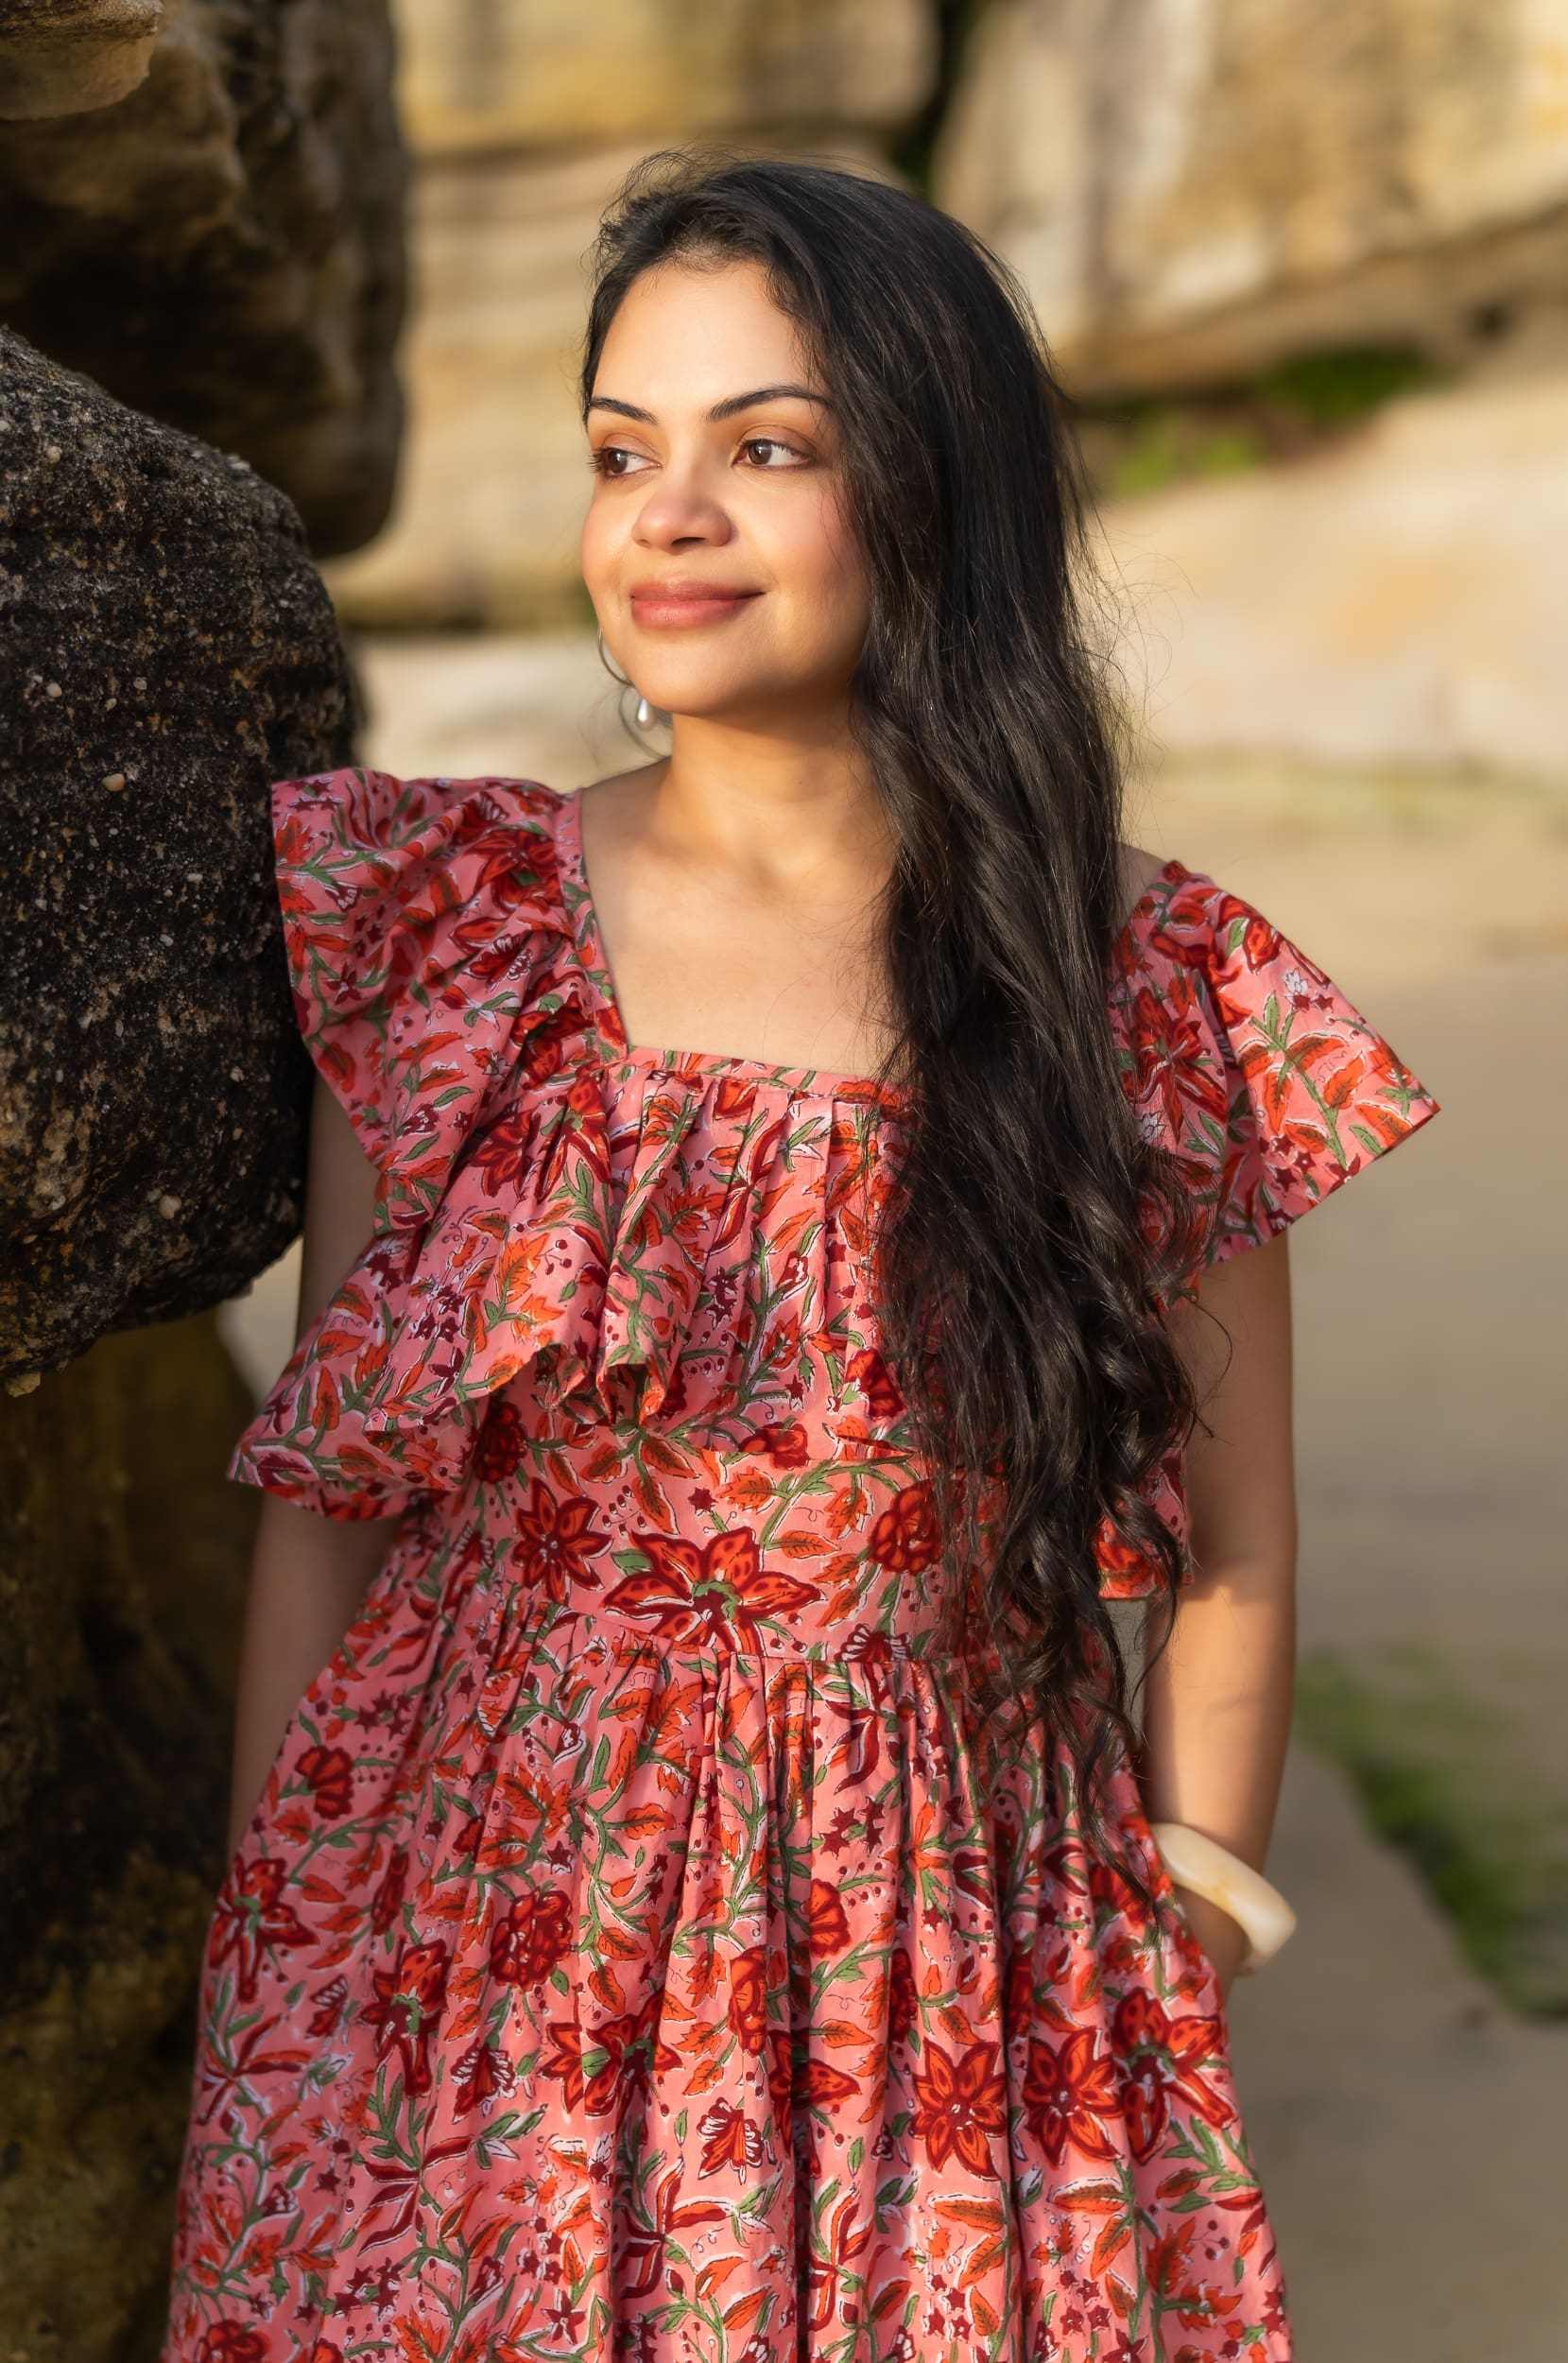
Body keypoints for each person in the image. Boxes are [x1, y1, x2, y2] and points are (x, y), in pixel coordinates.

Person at [162, 152, 1439, 2362]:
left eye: (767, 448)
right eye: (618, 452)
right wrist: (286, 1941)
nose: (668, 516)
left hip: (952, 1934)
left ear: (938, 486)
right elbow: (338, 1475)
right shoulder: (451, 931)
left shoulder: (1139, 982)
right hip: (492, 1907)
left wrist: (1180, 1930)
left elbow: (1231, 1531)